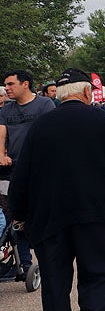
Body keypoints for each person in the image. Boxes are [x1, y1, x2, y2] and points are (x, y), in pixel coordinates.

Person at [8, 68, 105, 311]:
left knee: (54, 282)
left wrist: (19, 214)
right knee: (98, 276)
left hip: (50, 218)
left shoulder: (42, 125)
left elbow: (22, 176)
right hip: (95, 215)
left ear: (59, 95)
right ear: (87, 92)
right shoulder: (102, 121)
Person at [0, 69, 56, 275]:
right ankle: (24, 263)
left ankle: (49, 259)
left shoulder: (44, 105)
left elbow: (50, 134)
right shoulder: (6, 109)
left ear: (25, 84)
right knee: (16, 217)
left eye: (10, 84)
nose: (7, 88)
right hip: (13, 169)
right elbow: (1, 133)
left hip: (39, 169)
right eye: (5, 85)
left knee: (41, 216)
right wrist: (1, 155)